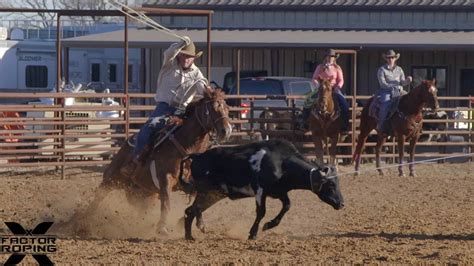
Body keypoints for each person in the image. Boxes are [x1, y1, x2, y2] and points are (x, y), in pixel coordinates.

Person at [120, 36, 208, 176]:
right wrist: (179, 44)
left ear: (194, 58)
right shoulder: (169, 64)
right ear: (179, 55)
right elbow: (168, 53)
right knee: (148, 129)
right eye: (184, 55)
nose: (186, 59)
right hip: (164, 108)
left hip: (183, 110)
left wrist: (209, 94)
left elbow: (202, 89)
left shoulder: (197, 74)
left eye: (189, 57)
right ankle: (135, 161)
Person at [300, 49, 349, 134]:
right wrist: (318, 85)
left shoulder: (337, 68)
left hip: (333, 88)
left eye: (332, 57)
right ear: (326, 57)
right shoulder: (320, 67)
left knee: (344, 105)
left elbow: (341, 80)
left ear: (334, 58)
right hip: (321, 88)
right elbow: (314, 78)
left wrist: (338, 87)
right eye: (329, 56)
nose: (330, 58)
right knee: (308, 101)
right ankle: (305, 123)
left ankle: (344, 126)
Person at [376, 49, 412, 136]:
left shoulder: (399, 69)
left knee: (410, 100)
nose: (390, 59)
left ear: (395, 58)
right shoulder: (382, 70)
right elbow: (382, 83)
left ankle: (413, 124)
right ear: (386, 59)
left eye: (392, 57)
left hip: (399, 91)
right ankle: (382, 126)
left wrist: (407, 80)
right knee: (385, 104)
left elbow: (402, 81)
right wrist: (392, 86)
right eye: (389, 58)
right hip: (386, 91)